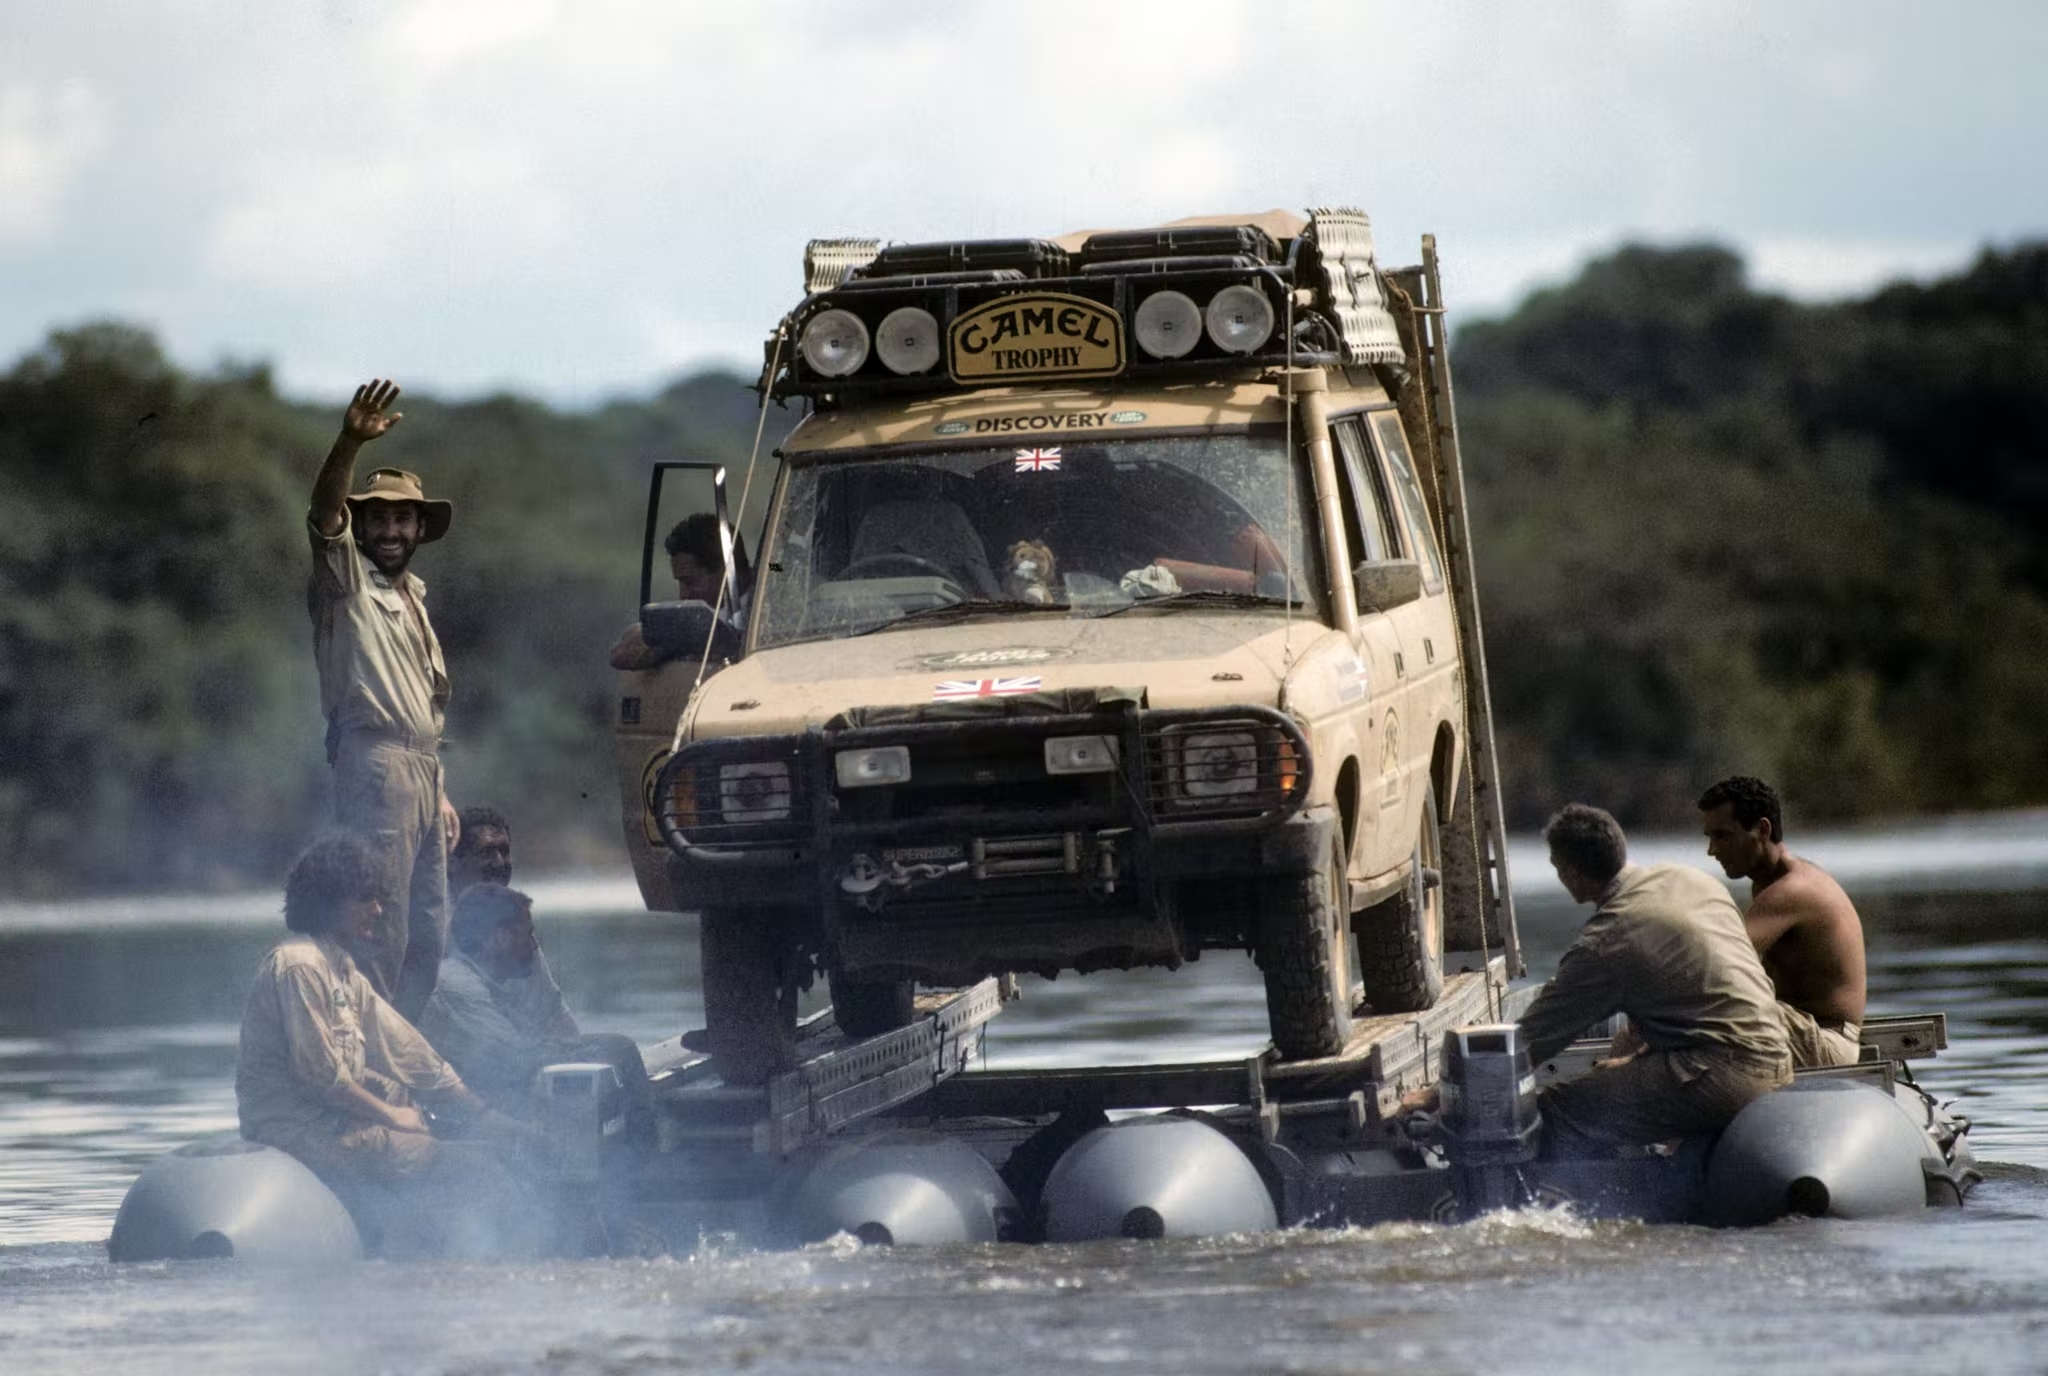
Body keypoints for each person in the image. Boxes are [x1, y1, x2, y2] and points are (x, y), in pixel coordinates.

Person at [234, 835, 542, 1254]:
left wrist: (483, 1115)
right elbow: (323, 1077)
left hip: (335, 1127)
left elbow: (412, 1056)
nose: (378, 911)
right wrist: (393, 1116)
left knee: (470, 1144)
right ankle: (506, 1268)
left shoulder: (341, 969)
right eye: (365, 899)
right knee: (482, 1167)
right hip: (299, 1132)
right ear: (329, 901)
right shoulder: (300, 966)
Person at [1514, 803, 1792, 1157]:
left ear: (1571, 872)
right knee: (1613, 1081)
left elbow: (1529, 1042)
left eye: (1557, 867)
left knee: (1554, 1110)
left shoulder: (1605, 941)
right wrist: (1639, 1059)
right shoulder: (1691, 880)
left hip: (1726, 1077)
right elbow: (1711, 1001)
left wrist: (1433, 1099)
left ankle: (1582, 1202)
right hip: (1777, 1058)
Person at [307, 377, 459, 1020]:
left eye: (402, 518)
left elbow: (424, 710)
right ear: (361, 526)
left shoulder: (413, 598)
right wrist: (349, 441)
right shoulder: (347, 582)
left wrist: (440, 789)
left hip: (420, 769)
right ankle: (364, 1067)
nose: (391, 530)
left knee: (430, 933)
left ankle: (398, 1056)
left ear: (420, 528)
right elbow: (322, 515)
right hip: (376, 765)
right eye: (378, 519)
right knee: (378, 925)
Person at [416, 883, 652, 1127]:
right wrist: (574, 1051)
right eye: (527, 934)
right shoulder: (457, 984)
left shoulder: (483, 981)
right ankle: (642, 1158)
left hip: (491, 1096)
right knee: (618, 1050)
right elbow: (514, 1060)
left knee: (614, 1052)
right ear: (501, 937)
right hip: (462, 1117)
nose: (533, 946)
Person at [1700, 775, 1868, 1068]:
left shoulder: (1792, 891)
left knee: (1701, 1003)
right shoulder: (1767, 884)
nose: (1712, 850)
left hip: (1828, 1043)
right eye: (1710, 837)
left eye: (1722, 835)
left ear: (1762, 830)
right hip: (1802, 1032)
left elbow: (1718, 966)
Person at [448, 805, 576, 1039]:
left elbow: (552, 1010)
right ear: (453, 861)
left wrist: (578, 1057)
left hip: (514, 1051)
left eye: (504, 851)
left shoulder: (513, 920)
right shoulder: (430, 924)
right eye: (487, 852)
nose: (499, 863)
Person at [608, 513, 751, 671]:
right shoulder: (708, 612)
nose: (684, 595)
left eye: (690, 582)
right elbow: (620, 654)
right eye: (680, 583)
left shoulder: (768, 603)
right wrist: (671, 644)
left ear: (725, 572)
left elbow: (777, 566)